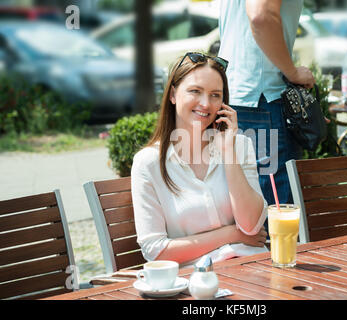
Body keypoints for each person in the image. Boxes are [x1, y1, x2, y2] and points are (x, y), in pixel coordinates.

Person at [131, 52, 268, 266]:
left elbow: (251, 226)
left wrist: (228, 151)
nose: (206, 103)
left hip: (254, 267)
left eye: (215, 95)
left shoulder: (240, 146)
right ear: (173, 94)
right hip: (196, 280)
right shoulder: (148, 163)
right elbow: (155, 251)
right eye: (195, 91)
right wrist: (232, 234)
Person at [218, 1, 315, 221]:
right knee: (278, 221)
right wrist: (292, 72)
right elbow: (260, 15)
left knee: (244, 216)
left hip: (235, 96)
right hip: (263, 100)